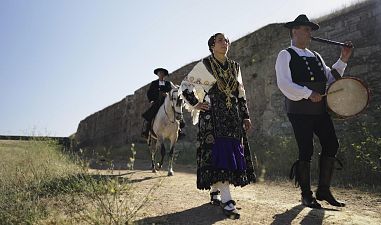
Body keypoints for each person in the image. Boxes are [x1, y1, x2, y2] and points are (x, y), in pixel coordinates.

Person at [275, 14, 353, 208]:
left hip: (319, 110)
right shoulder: (285, 54)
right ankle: (306, 194)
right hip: (299, 111)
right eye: (306, 29)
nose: (310, 33)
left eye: (310, 30)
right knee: (306, 149)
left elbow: (331, 78)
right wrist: (308, 93)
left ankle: (323, 190)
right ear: (295, 31)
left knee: (331, 144)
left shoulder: (316, 56)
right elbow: (284, 83)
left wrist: (343, 59)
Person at [179, 33, 256, 219]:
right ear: (212, 45)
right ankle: (227, 200)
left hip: (233, 116)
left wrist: (245, 116)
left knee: (230, 152)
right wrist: (195, 103)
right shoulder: (205, 65)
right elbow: (185, 85)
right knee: (218, 153)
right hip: (212, 117)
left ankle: (216, 190)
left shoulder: (235, 66)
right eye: (220, 40)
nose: (225, 43)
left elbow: (240, 93)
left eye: (227, 40)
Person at [142, 68, 186, 138]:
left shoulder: (169, 83)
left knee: (177, 111)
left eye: (162, 73)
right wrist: (152, 100)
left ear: (164, 75)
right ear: (158, 74)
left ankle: (180, 131)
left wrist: (174, 91)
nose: (161, 74)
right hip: (157, 102)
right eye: (159, 73)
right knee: (150, 114)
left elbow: (175, 90)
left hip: (168, 102)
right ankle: (146, 131)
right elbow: (149, 93)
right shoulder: (154, 83)